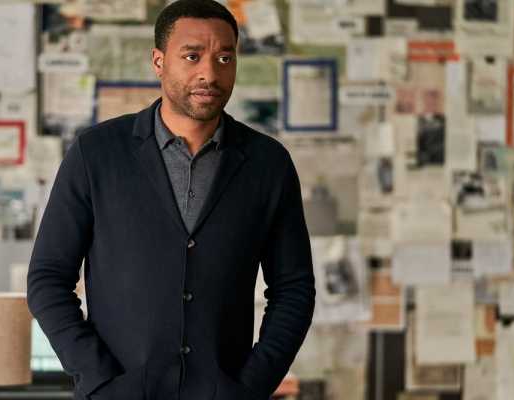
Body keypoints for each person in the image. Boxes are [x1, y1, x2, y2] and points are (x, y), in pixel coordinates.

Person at [27, 1, 315, 400]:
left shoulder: (268, 164)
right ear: (159, 62)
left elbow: (294, 290)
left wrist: (251, 387)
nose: (209, 73)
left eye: (224, 58)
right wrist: (98, 380)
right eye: (192, 56)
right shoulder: (96, 154)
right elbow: (47, 280)